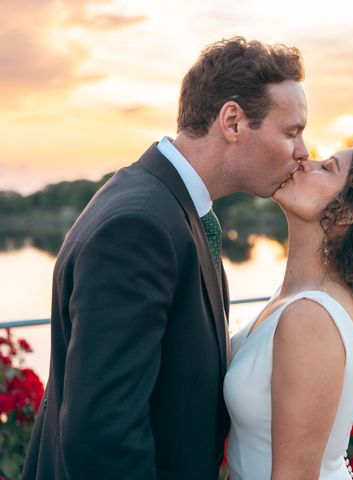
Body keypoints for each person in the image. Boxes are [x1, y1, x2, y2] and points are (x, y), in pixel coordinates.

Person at [21, 37, 308, 480]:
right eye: (291, 132)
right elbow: (102, 440)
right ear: (232, 121)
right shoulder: (140, 227)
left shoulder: (175, 209)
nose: (302, 151)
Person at [223, 133, 353, 478]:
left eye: (327, 167)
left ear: (347, 212)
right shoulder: (295, 298)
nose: (306, 161)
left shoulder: (312, 318)